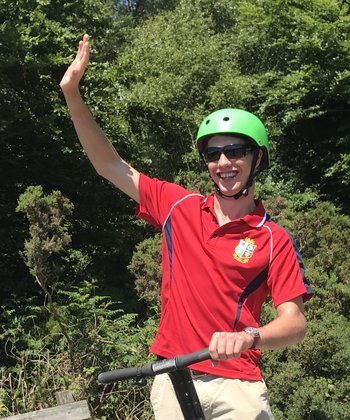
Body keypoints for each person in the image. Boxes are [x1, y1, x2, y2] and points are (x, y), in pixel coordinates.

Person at [60, 35, 313, 419]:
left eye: (235, 151)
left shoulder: (272, 238)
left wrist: (250, 336)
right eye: (213, 153)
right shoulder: (178, 206)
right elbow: (109, 165)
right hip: (172, 377)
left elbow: (294, 325)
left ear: (257, 157)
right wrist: (72, 95)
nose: (223, 162)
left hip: (238, 384)